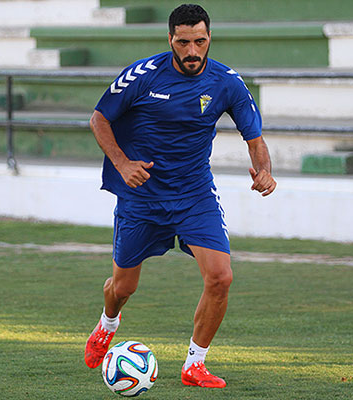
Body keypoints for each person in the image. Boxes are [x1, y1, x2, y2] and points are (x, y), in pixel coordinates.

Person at [85, 3, 276, 388]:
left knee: (221, 277)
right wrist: (122, 164)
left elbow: (254, 137)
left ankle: (195, 364)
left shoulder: (227, 82)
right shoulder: (142, 75)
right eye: (184, 42)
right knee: (122, 288)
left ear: (210, 39)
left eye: (200, 41)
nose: (192, 51)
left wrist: (265, 170)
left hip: (194, 196)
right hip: (141, 197)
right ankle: (108, 324)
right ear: (170, 39)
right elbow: (98, 118)